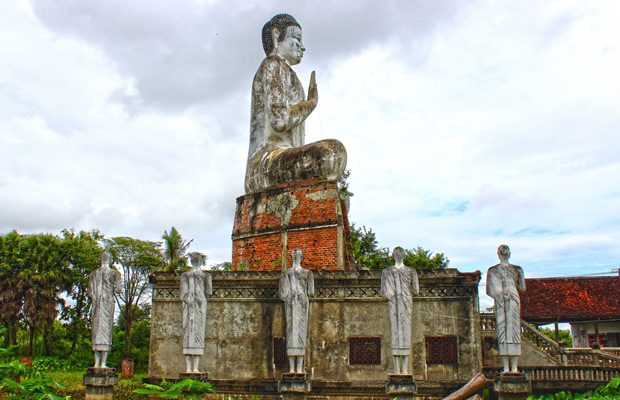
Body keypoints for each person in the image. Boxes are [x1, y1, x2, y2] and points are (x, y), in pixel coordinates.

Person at [245, 13, 346, 193]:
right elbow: (280, 121)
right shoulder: (273, 64)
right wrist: (311, 103)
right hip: (265, 163)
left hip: (285, 157)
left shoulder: (290, 76)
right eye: (297, 39)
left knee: (334, 171)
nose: (303, 47)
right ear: (277, 36)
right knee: (332, 153)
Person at [486, 244, 526, 374]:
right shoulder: (493, 271)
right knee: (502, 331)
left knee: (514, 332)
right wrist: (501, 295)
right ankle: (507, 368)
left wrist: (520, 275)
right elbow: (492, 290)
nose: (503, 253)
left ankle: (514, 368)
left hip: (513, 300)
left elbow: (522, 288)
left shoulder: (517, 269)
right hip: (501, 301)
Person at [380, 247, 419, 375]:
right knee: (395, 334)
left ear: (404, 254)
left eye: (400, 253)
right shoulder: (387, 272)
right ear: (393, 255)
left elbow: (416, 290)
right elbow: (384, 291)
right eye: (396, 253)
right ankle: (397, 370)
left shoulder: (411, 271)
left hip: (406, 303)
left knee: (406, 333)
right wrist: (392, 296)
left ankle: (405, 369)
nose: (398, 255)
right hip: (393, 304)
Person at [279, 249, 314, 373]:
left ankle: (299, 368)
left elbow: (311, 291)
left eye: (298, 255)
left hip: (302, 305)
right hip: (290, 305)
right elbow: (283, 293)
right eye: (294, 255)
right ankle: (292, 368)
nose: (296, 256)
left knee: (301, 334)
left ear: (301, 257)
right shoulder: (286, 273)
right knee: (291, 334)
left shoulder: (307, 273)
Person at [179, 252, 213, 373]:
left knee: (189, 333)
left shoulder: (186, 275)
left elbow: (182, 294)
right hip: (196, 303)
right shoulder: (205, 275)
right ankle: (193, 368)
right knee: (195, 334)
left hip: (191, 303)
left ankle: (190, 368)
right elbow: (209, 291)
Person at [89, 250, 122, 368]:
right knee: (105, 331)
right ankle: (102, 363)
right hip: (106, 302)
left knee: (97, 330)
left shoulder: (94, 273)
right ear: (110, 259)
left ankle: (97, 363)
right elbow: (118, 290)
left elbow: (91, 292)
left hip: (97, 303)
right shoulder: (115, 273)